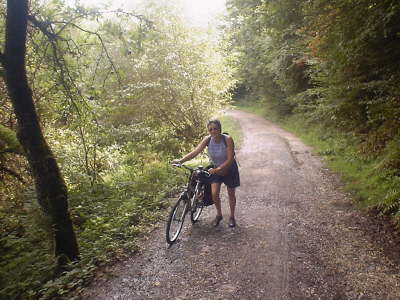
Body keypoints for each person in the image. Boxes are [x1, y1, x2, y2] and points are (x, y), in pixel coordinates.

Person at [173, 119, 240, 227]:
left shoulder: (227, 139)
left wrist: (218, 169)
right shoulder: (207, 139)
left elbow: (230, 159)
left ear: (220, 129)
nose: (213, 131)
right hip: (215, 168)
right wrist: (181, 161)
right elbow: (195, 152)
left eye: (215, 128)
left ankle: (232, 217)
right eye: (210, 129)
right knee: (214, 194)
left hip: (229, 169)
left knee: (231, 194)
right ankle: (219, 215)